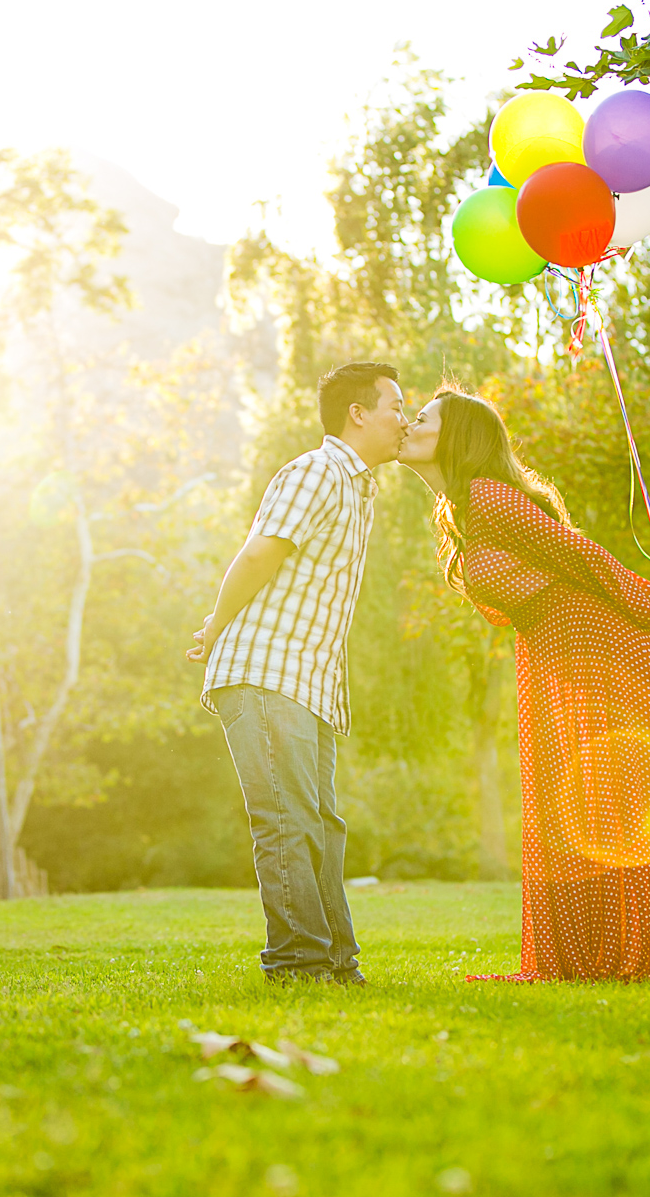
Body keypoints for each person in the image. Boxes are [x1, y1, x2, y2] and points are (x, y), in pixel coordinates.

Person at [397, 385, 650, 980]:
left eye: (422, 417)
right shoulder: (464, 511)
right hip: (565, 658)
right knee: (575, 805)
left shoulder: (487, 496)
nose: (410, 424)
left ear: (456, 437)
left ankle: (647, 952)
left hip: (611, 654)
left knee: (614, 805)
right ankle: (585, 956)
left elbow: (575, 550)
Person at [186, 362, 408, 983]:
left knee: (322, 827)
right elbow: (259, 552)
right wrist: (214, 625)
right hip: (265, 673)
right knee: (286, 820)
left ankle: (337, 962)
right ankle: (297, 964)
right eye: (395, 405)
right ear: (357, 413)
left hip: (309, 684)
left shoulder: (359, 487)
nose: (404, 417)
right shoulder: (318, 471)